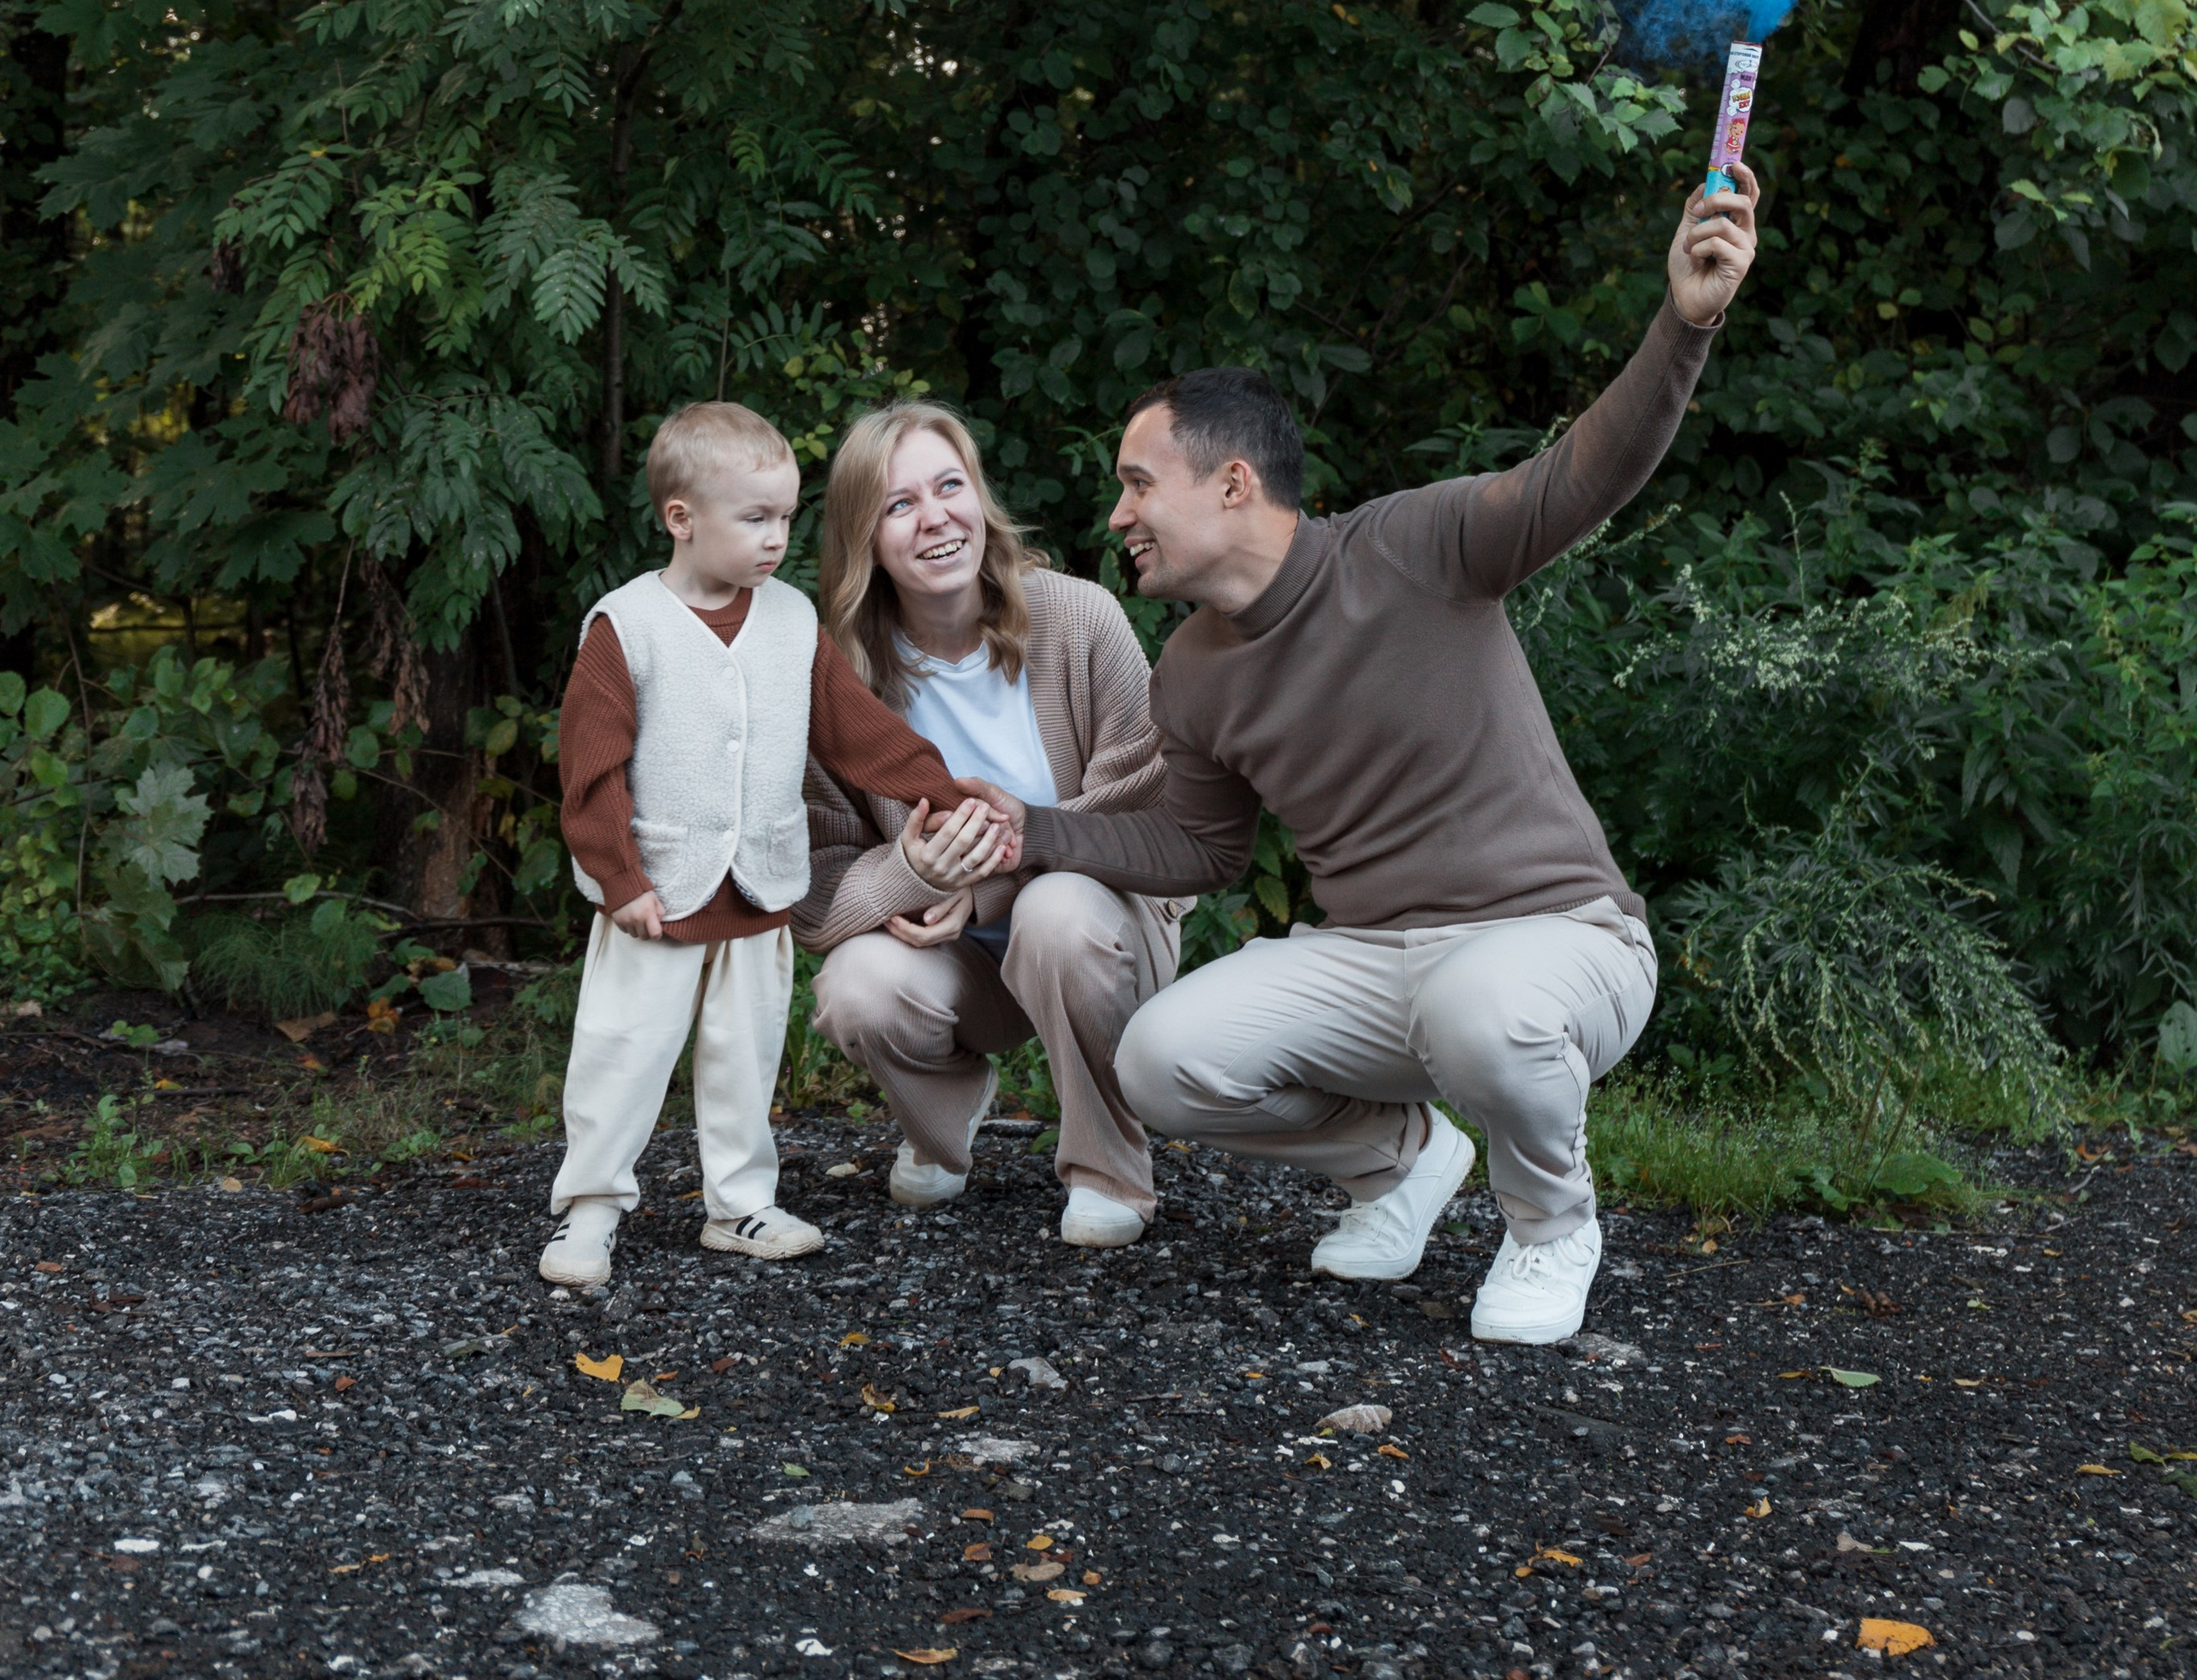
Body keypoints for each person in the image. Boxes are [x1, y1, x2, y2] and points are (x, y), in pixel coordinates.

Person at [959, 169, 1759, 1345]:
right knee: (1163, 1060)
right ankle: (1402, 1162)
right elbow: (1199, 847)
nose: (1117, 516)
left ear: (1233, 483)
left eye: (1138, 483)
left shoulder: (1416, 546)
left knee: (1486, 1009)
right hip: (1376, 961)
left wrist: (1685, 325)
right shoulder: (1190, 667)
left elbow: (1587, 473)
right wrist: (1036, 831)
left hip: (1557, 939)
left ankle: (1550, 1226)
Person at [544, 398, 1016, 1292]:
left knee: (745, 1052)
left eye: (787, 518)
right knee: (624, 1047)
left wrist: (945, 797)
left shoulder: (792, 621)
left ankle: (739, 1202)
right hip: (657, 891)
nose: (776, 538)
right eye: (755, 518)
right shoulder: (626, 628)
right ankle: (592, 1207)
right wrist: (618, 879)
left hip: (758, 890)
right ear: (681, 519)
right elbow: (590, 769)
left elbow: (859, 734)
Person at [795, 404, 1187, 1248]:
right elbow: (817, 898)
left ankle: (1109, 1169)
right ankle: (942, 1125)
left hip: (1106, 931)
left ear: (980, 498)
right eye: (899, 505)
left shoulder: (1080, 619)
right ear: (864, 537)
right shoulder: (839, 683)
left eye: (949, 486)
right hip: (958, 962)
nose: (935, 517)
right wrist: (915, 872)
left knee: (1053, 913)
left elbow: (1157, 798)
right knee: (856, 985)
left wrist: (998, 878)